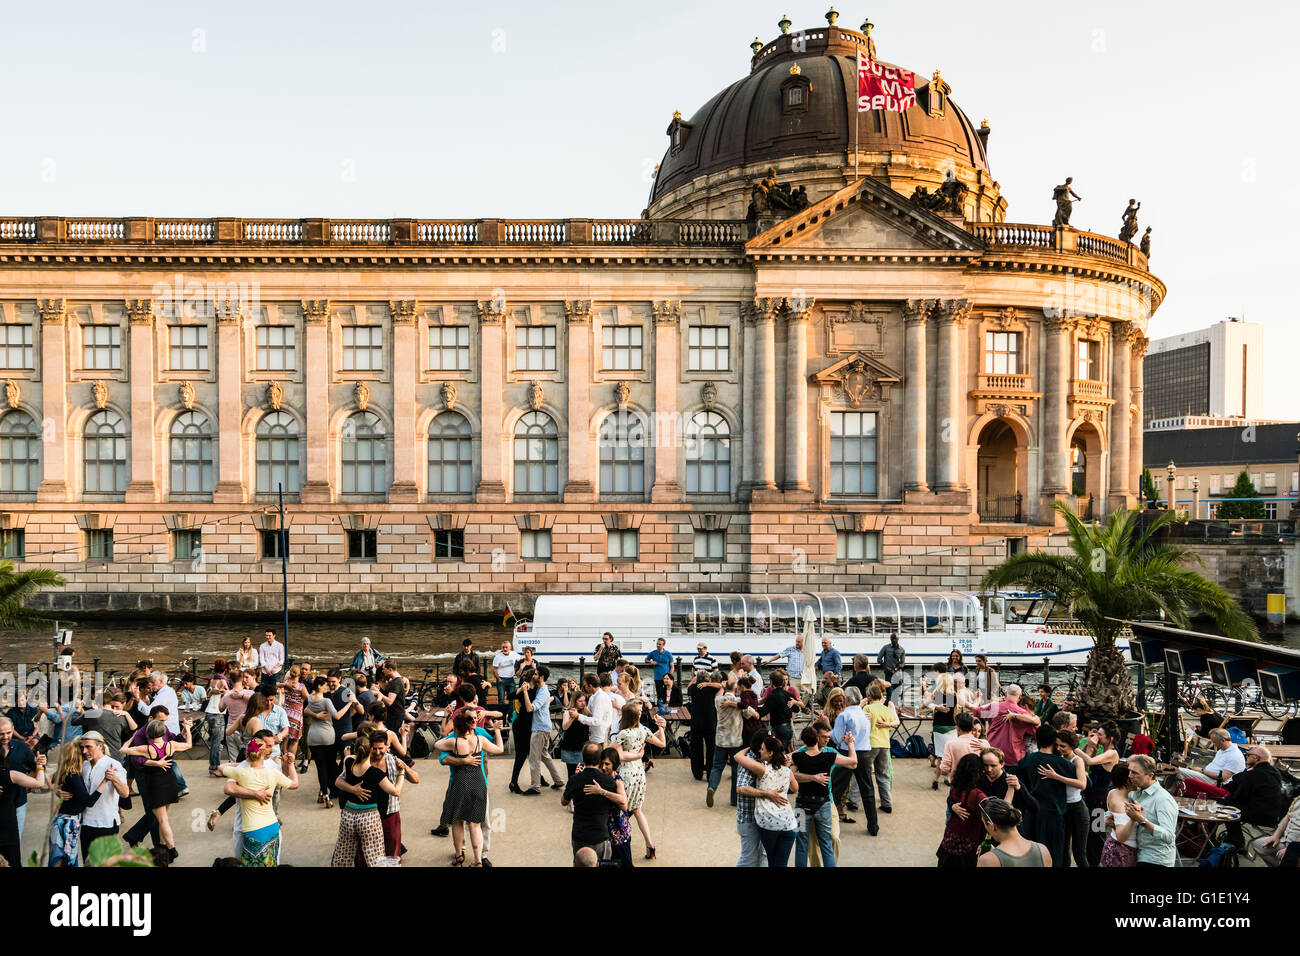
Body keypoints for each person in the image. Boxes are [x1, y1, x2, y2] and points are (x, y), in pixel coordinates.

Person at [120, 718, 192, 863]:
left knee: (162, 819)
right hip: (171, 782)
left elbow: (123, 749)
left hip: (156, 784)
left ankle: (172, 849)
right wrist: (188, 729)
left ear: (148, 734)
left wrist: (132, 738)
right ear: (164, 732)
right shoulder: (171, 745)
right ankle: (162, 847)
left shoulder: (146, 749)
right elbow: (189, 744)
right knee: (163, 817)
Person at [219, 735, 298, 866]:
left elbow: (220, 767)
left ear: (247, 754)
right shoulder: (272, 772)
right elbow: (294, 784)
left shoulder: (241, 773)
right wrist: (290, 764)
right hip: (273, 826)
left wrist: (239, 765)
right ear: (263, 754)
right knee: (271, 863)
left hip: (253, 830)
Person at [333, 729, 406, 866]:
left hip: (348, 815)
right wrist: (401, 773)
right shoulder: (375, 773)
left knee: (344, 854)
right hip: (369, 817)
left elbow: (337, 781)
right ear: (370, 750)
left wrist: (353, 789)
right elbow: (396, 791)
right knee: (375, 857)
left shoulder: (349, 762)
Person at [435, 714, 500, 866]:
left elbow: (437, 744)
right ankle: (478, 861)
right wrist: (497, 731)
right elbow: (499, 749)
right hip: (478, 781)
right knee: (475, 824)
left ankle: (459, 855)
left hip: (459, 782)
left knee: (457, 821)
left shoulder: (454, 742)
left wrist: (452, 735)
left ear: (456, 728)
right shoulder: (480, 739)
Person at [791, 723, 855, 867]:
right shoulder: (829, 756)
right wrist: (850, 745)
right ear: (816, 738)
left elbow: (790, 774)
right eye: (824, 737)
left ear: (804, 740)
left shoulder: (798, 756)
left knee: (801, 843)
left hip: (801, 806)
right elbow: (853, 761)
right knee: (826, 844)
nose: (827, 739)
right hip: (823, 804)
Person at [1015, 724, 1075, 866]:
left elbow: (1013, 772)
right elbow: (1085, 782)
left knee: (1032, 855)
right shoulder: (1062, 763)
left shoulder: (1028, 759)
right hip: (1054, 814)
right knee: (1053, 855)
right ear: (1054, 740)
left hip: (1032, 813)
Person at [614, 701, 668, 859]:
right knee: (637, 810)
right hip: (639, 774)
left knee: (621, 811)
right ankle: (650, 845)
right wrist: (661, 729)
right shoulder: (643, 730)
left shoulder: (623, 734)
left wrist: (605, 735)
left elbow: (610, 751)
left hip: (626, 774)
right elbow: (662, 743)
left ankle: (619, 843)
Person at [735, 735, 798, 866]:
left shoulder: (762, 769)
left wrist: (748, 748)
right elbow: (795, 788)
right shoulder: (788, 772)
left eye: (762, 749)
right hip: (789, 824)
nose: (759, 751)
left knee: (770, 860)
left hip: (769, 824)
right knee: (781, 863)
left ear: (770, 753)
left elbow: (737, 757)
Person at [563, 741, 623, 863]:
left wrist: (574, 782)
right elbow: (622, 804)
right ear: (599, 761)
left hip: (579, 835)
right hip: (599, 835)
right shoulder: (608, 781)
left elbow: (564, 801)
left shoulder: (574, 779)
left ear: (583, 759)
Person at [830, 687, 878, 835]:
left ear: (847, 700)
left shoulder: (844, 716)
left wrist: (828, 731)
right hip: (864, 753)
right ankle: (873, 826)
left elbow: (837, 738)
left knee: (835, 788)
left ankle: (825, 821)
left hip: (847, 752)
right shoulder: (865, 715)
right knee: (867, 789)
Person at [76, 731, 128, 863]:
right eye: (82, 747)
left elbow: (125, 793)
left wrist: (114, 778)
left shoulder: (114, 765)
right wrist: (59, 791)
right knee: (88, 863)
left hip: (105, 823)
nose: (84, 751)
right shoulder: (84, 765)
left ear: (100, 746)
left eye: (88, 747)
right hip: (86, 823)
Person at [1220, 746, 1286, 849]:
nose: (1246, 757)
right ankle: (1235, 839)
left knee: (1224, 806)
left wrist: (1225, 798)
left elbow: (1239, 797)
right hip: (1274, 815)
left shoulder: (1255, 774)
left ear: (1256, 758)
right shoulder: (1274, 771)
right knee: (1228, 805)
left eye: (1248, 755)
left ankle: (1236, 841)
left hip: (1260, 815)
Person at [369, 732, 418, 863]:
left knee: (393, 852)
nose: (378, 752)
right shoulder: (363, 761)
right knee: (369, 853)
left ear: (387, 746)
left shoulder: (393, 760)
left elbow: (416, 779)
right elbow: (340, 780)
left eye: (381, 748)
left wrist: (404, 768)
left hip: (390, 812)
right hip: (368, 814)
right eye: (374, 748)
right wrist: (353, 789)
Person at [1125, 753, 1179, 867]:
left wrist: (1141, 820)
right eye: (1129, 771)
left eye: (1134, 772)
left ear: (1150, 775)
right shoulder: (1135, 793)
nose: (1129, 775)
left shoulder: (1163, 799)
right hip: (1138, 854)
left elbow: (1169, 836)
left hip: (1156, 859)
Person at [0, 742, 46, 867]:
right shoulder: (10, 775)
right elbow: (40, 782)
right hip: (7, 825)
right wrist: (40, 766)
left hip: (7, 824)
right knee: (12, 860)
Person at [937, 752, 987, 867]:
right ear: (978, 772)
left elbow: (950, 799)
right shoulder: (978, 796)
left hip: (950, 837)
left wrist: (952, 805)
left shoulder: (956, 786)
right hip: (969, 843)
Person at [304, 676, 345, 806]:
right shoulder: (326, 701)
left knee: (320, 767)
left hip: (313, 736)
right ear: (319, 687)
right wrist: (349, 703)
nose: (327, 686)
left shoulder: (310, 697)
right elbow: (337, 716)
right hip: (327, 736)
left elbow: (305, 710)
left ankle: (323, 793)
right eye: (325, 685)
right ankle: (330, 791)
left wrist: (315, 715)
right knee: (330, 765)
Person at [976, 684, 1040, 767]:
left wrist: (978, 699)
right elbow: (1037, 734)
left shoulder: (995, 706)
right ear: (1019, 697)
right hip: (1013, 757)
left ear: (1006, 694)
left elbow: (977, 711)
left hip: (993, 753)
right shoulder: (1024, 714)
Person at [522, 665, 562, 795]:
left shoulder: (543, 692)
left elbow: (530, 708)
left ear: (541, 677)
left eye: (536, 674)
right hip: (543, 727)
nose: (534, 675)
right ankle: (558, 780)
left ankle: (535, 787)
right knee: (545, 755)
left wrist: (524, 692)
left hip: (539, 729)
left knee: (534, 758)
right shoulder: (541, 689)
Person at [977, 797, 1050, 867]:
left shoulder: (987, 860)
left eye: (984, 824)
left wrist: (991, 856)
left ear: (991, 826)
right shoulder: (1043, 850)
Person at [1053, 730, 1090, 867]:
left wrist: (1056, 777)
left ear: (1072, 746)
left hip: (1077, 809)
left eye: (1063, 746)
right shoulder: (1060, 759)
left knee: (1079, 853)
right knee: (1063, 850)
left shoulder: (1077, 760)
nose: (1059, 749)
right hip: (1063, 808)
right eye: (1057, 745)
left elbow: (1082, 784)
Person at [707, 679, 744, 808]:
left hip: (721, 739)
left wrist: (722, 687)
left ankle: (712, 787)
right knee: (735, 769)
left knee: (717, 766)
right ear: (736, 689)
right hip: (735, 740)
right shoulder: (738, 701)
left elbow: (719, 695)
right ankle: (734, 799)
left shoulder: (718, 700)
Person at [1177, 727, 1245, 796]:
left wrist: (1202, 770)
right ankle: (1178, 792)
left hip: (1215, 782)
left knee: (1179, 771)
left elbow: (1223, 778)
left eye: (1214, 742)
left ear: (1223, 741)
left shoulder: (1234, 755)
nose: (1214, 744)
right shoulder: (1223, 750)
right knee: (1178, 769)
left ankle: (1174, 794)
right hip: (1208, 775)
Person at [597, 746, 634, 867]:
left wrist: (602, 792)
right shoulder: (602, 778)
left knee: (625, 862)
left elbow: (624, 805)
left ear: (615, 764)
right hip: (607, 830)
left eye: (607, 764)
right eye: (602, 763)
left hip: (618, 830)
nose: (603, 767)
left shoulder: (618, 781)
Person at [1099, 763, 1139, 867]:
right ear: (1127, 780)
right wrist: (1134, 818)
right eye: (1132, 775)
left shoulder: (1113, 792)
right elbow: (1121, 837)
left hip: (1114, 846)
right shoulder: (1122, 805)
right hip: (1122, 851)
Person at [937, 711, 988, 789]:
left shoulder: (950, 744)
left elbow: (944, 770)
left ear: (957, 728)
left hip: (957, 784)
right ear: (972, 728)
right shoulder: (983, 744)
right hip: (977, 784)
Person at [687, 668, 722, 779]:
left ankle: (697, 773)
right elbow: (721, 686)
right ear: (708, 679)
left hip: (696, 722)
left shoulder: (693, 688)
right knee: (711, 749)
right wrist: (708, 683)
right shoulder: (711, 689)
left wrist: (694, 680)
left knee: (696, 749)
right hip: (710, 722)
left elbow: (688, 688)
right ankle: (710, 772)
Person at [757, 669, 801, 751]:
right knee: (787, 753)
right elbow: (797, 709)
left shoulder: (772, 696)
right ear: (782, 682)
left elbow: (763, 711)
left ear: (771, 682)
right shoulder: (788, 695)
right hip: (788, 728)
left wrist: (752, 708)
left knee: (778, 754)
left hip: (779, 729)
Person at [1254, 793, 1300, 867]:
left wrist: (1290, 851)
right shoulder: (1298, 799)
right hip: (1284, 840)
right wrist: (1276, 835)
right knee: (1258, 845)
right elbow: (1287, 817)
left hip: (1296, 847)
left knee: (1288, 860)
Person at [925, 663, 957, 765]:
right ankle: (946, 774)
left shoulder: (938, 694)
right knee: (949, 752)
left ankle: (938, 771)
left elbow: (925, 704)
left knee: (941, 753)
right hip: (951, 725)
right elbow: (949, 709)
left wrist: (935, 707)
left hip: (939, 724)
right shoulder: (953, 695)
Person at [278, 664, 308, 771]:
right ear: (299, 674)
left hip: (286, 712)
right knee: (294, 740)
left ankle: (284, 760)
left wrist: (285, 684)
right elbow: (307, 696)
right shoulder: (301, 686)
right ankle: (291, 762)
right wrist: (302, 700)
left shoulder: (286, 683)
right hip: (296, 714)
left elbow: (276, 685)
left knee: (285, 737)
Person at [558, 692, 589, 777]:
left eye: (584, 700)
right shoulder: (567, 712)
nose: (583, 703)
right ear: (575, 701)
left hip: (581, 748)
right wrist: (572, 717)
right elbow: (564, 727)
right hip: (570, 747)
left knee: (580, 773)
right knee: (571, 774)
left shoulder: (586, 712)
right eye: (580, 701)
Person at [492, 640, 522, 705]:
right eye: (503, 647)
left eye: (506, 647)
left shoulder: (513, 654)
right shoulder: (498, 657)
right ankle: (502, 714)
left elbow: (521, 658)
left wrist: (530, 659)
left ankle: (510, 714)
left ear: (510, 647)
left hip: (511, 679)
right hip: (501, 679)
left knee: (512, 699)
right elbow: (494, 669)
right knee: (501, 699)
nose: (505, 649)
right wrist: (498, 679)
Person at [877, 634, 905, 704]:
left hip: (898, 675)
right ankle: (889, 709)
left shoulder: (902, 649)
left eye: (895, 639)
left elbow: (902, 663)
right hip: (888, 674)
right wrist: (886, 668)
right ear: (890, 639)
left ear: (898, 639)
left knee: (896, 694)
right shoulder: (885, 648)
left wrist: (896, 669)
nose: (893, 640)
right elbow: (879, 659)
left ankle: (894, 709)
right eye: (892, 639)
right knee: (889, 694)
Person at [645, 637, 674, 702]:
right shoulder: (653, 653)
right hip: (658, 677)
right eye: (657, 644)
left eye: (659, 644)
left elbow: (672, 666)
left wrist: (670, 677)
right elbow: (646, 659)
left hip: (666, 678)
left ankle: (668, 706)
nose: (658, 645)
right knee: (659, 695)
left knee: (668, 693)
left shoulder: (668, 654)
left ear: (663, 645)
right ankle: (660, 707)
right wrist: (651, 662)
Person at [257, 629, 284, 696]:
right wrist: (267, 669)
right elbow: (261, 659)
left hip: (275, 671)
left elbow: (281, 660)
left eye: (269, 635)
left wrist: (275, 668)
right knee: (264, 689)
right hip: (265, 671)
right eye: (266, 635)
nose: (267, 637)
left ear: (274, 635)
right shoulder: (262, 646)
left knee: (274, 689)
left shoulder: (280, 645)